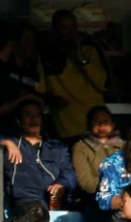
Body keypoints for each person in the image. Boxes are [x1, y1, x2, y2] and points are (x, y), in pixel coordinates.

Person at [0, 100, 76, 210]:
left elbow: (69, 171)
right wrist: (5, 141)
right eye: (28, 115)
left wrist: (61, 184)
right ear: (18, 121)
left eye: (37, 115)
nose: (33, 119)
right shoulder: (12, 142)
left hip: (52, 201)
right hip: (24, 203)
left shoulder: (57, 146)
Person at [42, 10, 108, 139]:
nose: (71, 32)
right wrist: (54, 100)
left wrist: (81, 60)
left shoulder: (89, 52)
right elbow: (42, 91)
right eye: (64, 28)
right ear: (55, 31)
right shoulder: (47, 57)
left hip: (95, 124)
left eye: (73, 27)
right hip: (68, 126)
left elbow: (103, 84)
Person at [72, 106, 123, 197]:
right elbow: (86, 183)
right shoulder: (81, 147)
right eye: (96, 121)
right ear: (89, 124)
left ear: (113, 124)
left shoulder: (125, 147)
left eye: (106, 120)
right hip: (95, 198)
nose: (101, 124)